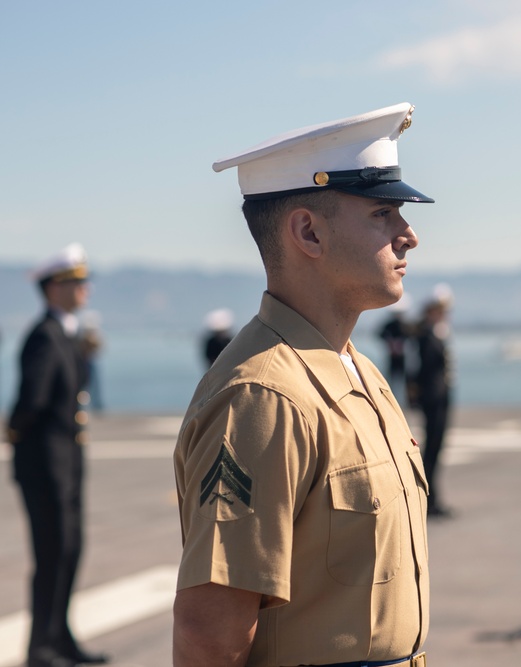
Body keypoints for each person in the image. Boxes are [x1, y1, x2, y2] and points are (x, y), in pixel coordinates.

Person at [172, 103, 433, 666]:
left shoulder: (358, 371)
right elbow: (211, 635)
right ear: (308, 232)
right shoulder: (263, 397)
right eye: (383, 214)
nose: (409, 235)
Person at [6, 243, 109, 667]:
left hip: (66, 464)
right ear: (52, 288)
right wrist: (20, 437)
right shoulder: (44, 336)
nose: (83, 288)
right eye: (74, 282)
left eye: (83, 281)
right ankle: (40, 647)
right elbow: (30, 403)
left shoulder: (67, 333)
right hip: (46, 465)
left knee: (69, 550)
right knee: (52, 553)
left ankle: (60, 637)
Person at [410, 284, 454, 518]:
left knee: (437, 447)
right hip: (432, 398)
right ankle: (429, 498)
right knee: (432, 448)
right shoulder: (425, 336)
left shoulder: (433, 333)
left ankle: (433, 497)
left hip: (440, 396)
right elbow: (421, 370)